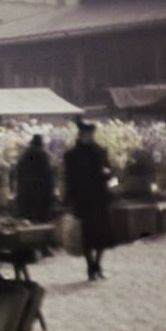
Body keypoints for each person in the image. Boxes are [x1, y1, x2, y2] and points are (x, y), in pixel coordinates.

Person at [63, 120, 116, 280]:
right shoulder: (71, 155)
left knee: (103, 234)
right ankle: (90, 267)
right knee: (87, 235)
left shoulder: (100, 151)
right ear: (81, 135)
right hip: (83, 199)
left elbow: (109, 171)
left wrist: (108, 175)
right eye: (87, 134)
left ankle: (97, 265)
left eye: (92, 133)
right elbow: (69, 178)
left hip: (100, 197)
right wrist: (69, 200)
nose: (90, 136)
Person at [14, 134, 55, 223]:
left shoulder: (24, 154)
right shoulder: (44, 155)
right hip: (40, 187)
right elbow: (48, 173)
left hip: (26, 187)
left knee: (26, 214)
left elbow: (19, 172)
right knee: (41, 215)